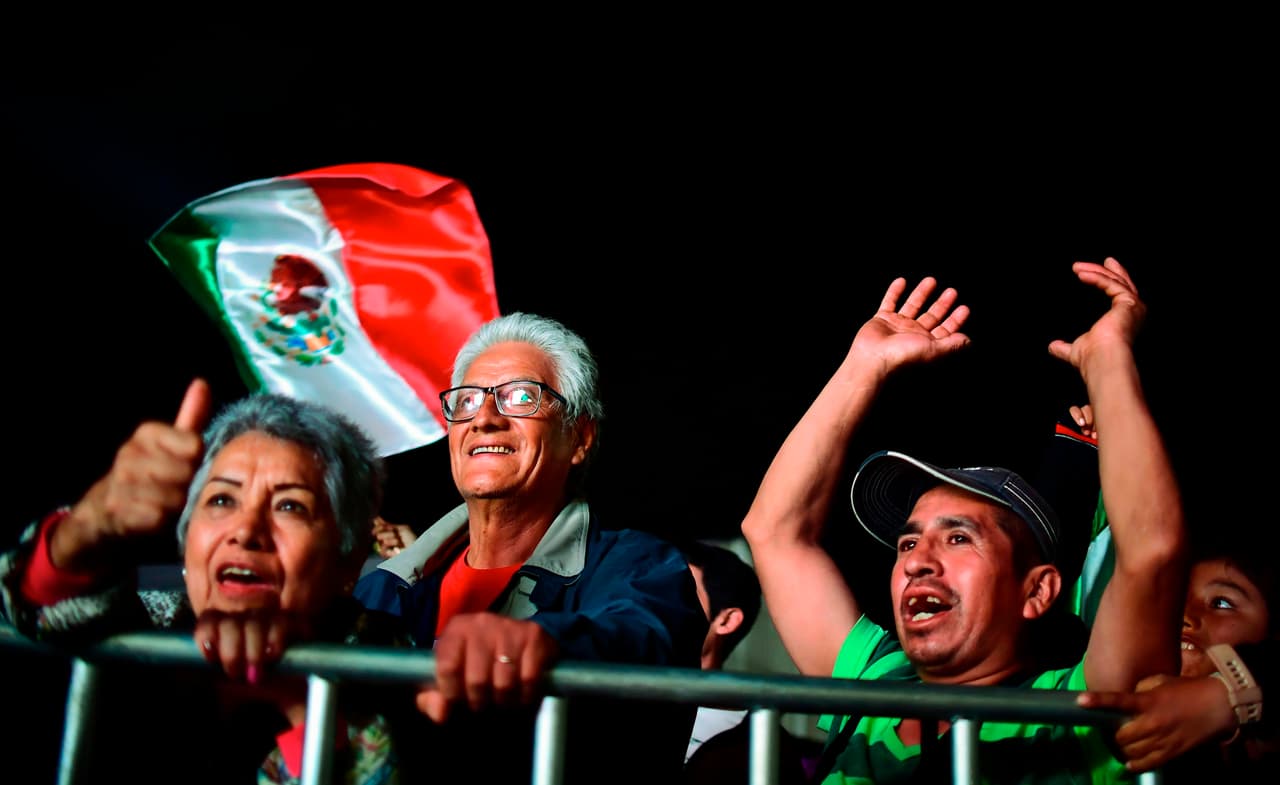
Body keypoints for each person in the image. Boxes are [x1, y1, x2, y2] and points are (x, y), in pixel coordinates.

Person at [740, 258, 1188, 783]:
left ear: (1038, 591)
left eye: (957, 537)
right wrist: (863, 366)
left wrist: (1109, 360)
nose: (918, 563)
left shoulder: (1080, 709)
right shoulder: (871, 683)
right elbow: (773, 534)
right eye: (908, 544)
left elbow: (1150, 553)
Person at [0, 379, 422, 785]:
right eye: (222, 499)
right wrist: (90, 527)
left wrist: (291, 687)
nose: (246, 530)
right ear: (186, 541)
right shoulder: (144, 632)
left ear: (347, 564)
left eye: (290, 506)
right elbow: (44, 608)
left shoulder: (399, 676)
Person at [352, 311, 707, 784]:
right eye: (468, 400)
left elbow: (642, 640)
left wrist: (543, 645)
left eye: (521, 396)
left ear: (579, 438)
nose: (485, 419)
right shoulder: (382, 590)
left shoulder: (636, 566)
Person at [679, 539, 817, 785]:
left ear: (727, 620)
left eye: (682, 589)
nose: (659, 601)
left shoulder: (758, 742)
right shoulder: (618, 692)